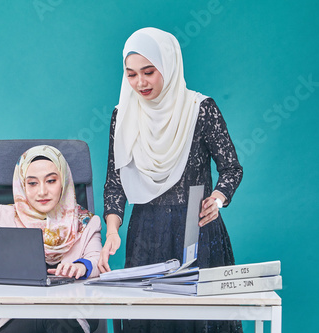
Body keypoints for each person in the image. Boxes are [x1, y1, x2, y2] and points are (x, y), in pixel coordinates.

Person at [98, 27, 244, 332]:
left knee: (198, 320)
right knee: (149, 321)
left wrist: (218, 198)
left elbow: (231, 168)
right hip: (145, 236)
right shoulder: (122, 114)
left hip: (196, 229)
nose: (140, 83)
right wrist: (112, 230)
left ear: (168, 65)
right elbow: (115, 181)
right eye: (131, 74)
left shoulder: (200, 110)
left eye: (149, 72)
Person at [0, 145, 102, 333]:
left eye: (51, 181)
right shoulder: (5, 217)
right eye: (32, 183)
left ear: (64, 182)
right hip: (13, 316)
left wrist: (81, 267)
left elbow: (99, 262)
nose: (42, 191)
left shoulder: (86, 222)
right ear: (22, 185)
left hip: (66, 314)